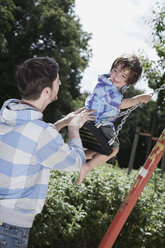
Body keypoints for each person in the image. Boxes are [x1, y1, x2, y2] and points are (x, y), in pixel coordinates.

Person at [0, 57, 95, 248]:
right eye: (57, 81)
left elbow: (30, 142)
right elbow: (75, 162)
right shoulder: (41, 134)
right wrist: (74, 128)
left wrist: (60, 123)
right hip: (10, 227)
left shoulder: (7, 115)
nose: (60, 83)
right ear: (46, 91)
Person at [77, 53, 152, 185]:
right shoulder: (109, 88)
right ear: (111, 69)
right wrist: (140, 98)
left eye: (123, 75)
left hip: (90, 121)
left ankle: (77, 159)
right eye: (115, 70)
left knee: (96, 150)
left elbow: (124, 86)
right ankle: (87, 167)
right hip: (97, 123)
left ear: (129, 81)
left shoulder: (105, 83)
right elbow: (122, 104)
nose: (116, 76)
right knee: (113, 149)